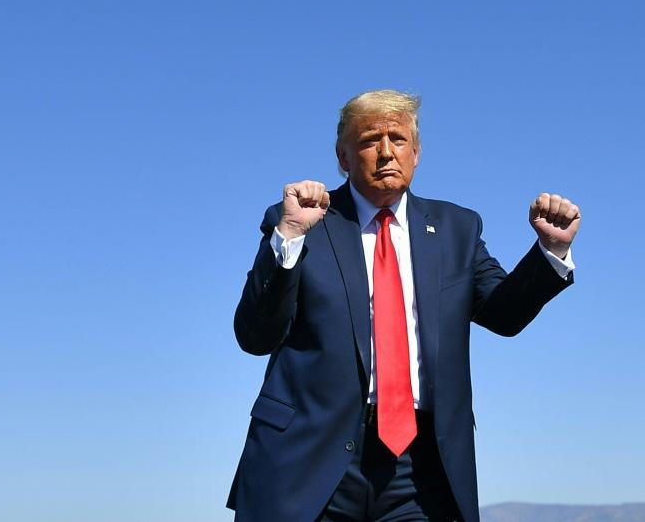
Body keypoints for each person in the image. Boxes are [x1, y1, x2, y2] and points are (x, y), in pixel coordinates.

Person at [228, 90, 581, 522]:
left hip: (420, 468)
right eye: (368, 140)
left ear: (416, 153)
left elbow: (503, 316)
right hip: (310, 457)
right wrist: (288, 238)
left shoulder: (457, 228)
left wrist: (549, 251)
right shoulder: (304, 220)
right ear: (342, 156)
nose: (384, 152)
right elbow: (255, 335)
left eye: (397, 139)